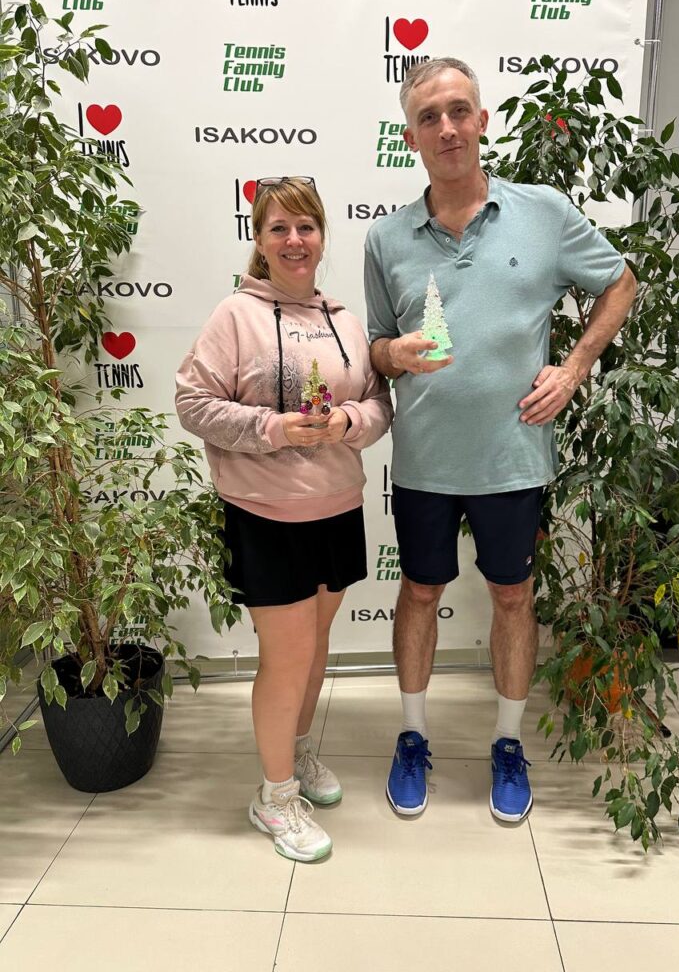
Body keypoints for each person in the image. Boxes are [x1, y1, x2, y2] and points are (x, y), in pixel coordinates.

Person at [364, 58, 637, 822]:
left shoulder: (542, 212)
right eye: (429, 116)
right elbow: (376, 348)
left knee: (513, 597)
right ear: (411, 136)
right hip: (424, 460)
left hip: (513, 457)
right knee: (419, 592)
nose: (447, 127)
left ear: (482, 121)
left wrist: (575, 367)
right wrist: (393, 353)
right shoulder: (385, 238)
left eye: (459, 110)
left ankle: (509, 744)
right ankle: (413, 737)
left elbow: (620, 282)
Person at [176, 177, 392, 862]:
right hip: (265, 514)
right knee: (288, 655)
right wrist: (274, 429)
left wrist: (349, 421)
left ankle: (294, 755)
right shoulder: (235, 315)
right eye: (279, 229)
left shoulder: (345, 320)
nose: (294, 240)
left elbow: (379, 404)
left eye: (306, 227)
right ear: (260, 240)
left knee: (317, 646)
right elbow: (192, 403)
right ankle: (272, 798)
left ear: (322, 236)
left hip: (337, 506)